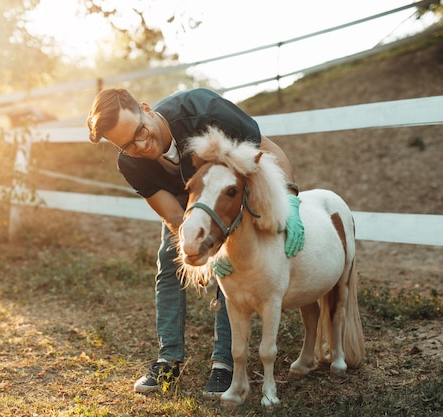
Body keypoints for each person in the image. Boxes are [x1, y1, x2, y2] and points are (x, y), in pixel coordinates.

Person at [86, 88, 304, 398]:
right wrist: (201, 248)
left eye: (140, 132)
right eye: (128, 145)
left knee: (233, 266)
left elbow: (266, 151)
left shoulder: (205, 111)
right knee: (168, 261)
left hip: (226, 192)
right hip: (185, 201)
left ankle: (224, 363)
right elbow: (174, 216)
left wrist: (291, 199)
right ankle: (168, 359)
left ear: (146, 109)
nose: (142, 145)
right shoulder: (131, 164)